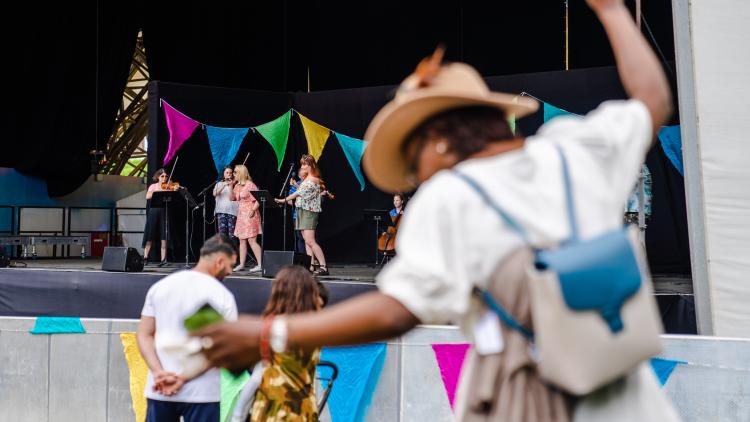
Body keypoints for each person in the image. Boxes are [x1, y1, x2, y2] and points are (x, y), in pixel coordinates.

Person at [194, 1, 673, 420]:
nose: (412, 168)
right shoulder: (572, 150)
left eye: (412, 151)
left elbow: (398, 309)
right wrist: (610, 9)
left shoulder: (451, 196)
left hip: (527, 402)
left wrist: (269, 333)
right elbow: (652, 100)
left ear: (439, 137)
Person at [136, 234, 238, 422]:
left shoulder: (161, 287)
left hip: (159, 389)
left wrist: (158, 372)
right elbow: (220, 348)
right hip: (203, 393)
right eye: (230, 266)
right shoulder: (222, 296)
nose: (230, 272)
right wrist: (182, 379)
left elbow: (144, 334)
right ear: (220, 261)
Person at [250, 266, 323, 421]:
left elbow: (258, 376)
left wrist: (237, 415)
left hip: (273, 409)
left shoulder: (273, 327)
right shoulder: (314, 327)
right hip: (304, 409)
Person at [275, 155, 329, 276]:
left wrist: (283, 200)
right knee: (306, 241)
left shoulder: (313, 179)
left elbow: (299, 193)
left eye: (305, 164)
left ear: (311, 165)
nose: (302, 167)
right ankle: (310, 266)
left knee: (311, 240)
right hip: (302, 211)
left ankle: (323, 266)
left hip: (308, 212)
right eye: (302, 164)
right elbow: (299, 192)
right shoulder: (307, 179)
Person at [232, 164, 262, 273]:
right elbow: (232, 198)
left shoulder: (250, 185)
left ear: (241, 173)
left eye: (235, 172)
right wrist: (231, 186)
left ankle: (260, 264)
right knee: (241, 240)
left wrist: (253, 210)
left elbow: (259, 199)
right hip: (241, 216)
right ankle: (241, 264)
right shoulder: (237, 186)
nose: (233, 174)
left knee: (251, 240)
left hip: (250, 214)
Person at [143, 168, 169, 266]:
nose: (164, 178)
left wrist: (173, 189)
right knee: (150, 235)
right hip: (153, 212)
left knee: (164, 236)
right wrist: (159, 190)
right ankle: (145, 257)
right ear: (158, 177)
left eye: (166, 176)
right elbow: (147, 196)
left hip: (163, 212)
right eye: (162, 176)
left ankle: (163, 259)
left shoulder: (168, 186)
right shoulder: (153, 186)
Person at [213, 166, 239, 244]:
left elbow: (233, 197)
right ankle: (224, 255)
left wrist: (231, 186)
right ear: (223, 174)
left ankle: (234, 255)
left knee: (232, 236)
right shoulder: (219, 184)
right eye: (227, 173)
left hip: (232, 212)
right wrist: (224, 184)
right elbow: (214, 193)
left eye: (230, 173)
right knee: (222, 235)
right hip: (221, 212)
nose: (229, 174)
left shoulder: (235, 184)